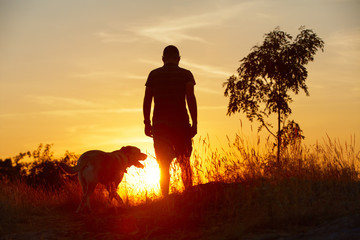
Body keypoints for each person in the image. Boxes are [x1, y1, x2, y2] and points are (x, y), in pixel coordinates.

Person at [143, 45, 198, 196]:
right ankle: (189, 195)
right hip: (181, 125)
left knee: (163, 165)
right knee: (184, 163)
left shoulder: (154, 75)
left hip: (160, 126)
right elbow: (191, 98)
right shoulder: (186, 74)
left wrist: (147, 123)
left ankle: (165, 200)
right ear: (179, 59)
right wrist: (195, 123)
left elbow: (147, 100)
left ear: (163, 59)